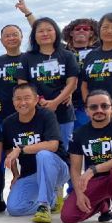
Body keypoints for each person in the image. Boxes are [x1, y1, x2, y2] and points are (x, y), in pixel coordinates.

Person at [61, 90, 112, 223]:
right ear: (87, 111)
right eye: (94, 107)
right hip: (96, 181)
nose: (99, 110)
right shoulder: (79, 134)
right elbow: (75, 168)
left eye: (104, 106)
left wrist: (93, 169)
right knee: (68, 216)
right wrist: (78, 193)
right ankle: (103, 203)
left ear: (111, 107)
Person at [2, 84, 69, 223]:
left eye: (27, 98)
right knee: (14, 209)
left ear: (36, 99)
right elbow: (9, 149)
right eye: (18, 99)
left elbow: (52, 145)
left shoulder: (47, 115)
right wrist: (15, 174)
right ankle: (52, 201)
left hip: (58, 170)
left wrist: (21, 148)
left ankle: (44, 205)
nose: (22, 103)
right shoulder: (9, 122)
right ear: (13, 101)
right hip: (31, 173)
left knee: (43, 155)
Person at [19, 17, 79, 149]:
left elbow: (72, 83)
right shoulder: (27, 58)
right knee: (39, 152)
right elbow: (22, 85)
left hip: (63, 112)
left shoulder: (68, 55)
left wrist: (55, 102)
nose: (45, 34)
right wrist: (39, 100)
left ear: (56, 32)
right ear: (34, 36)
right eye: (40, 31)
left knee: (64, 150)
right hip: (36, 112)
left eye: (49, 30)